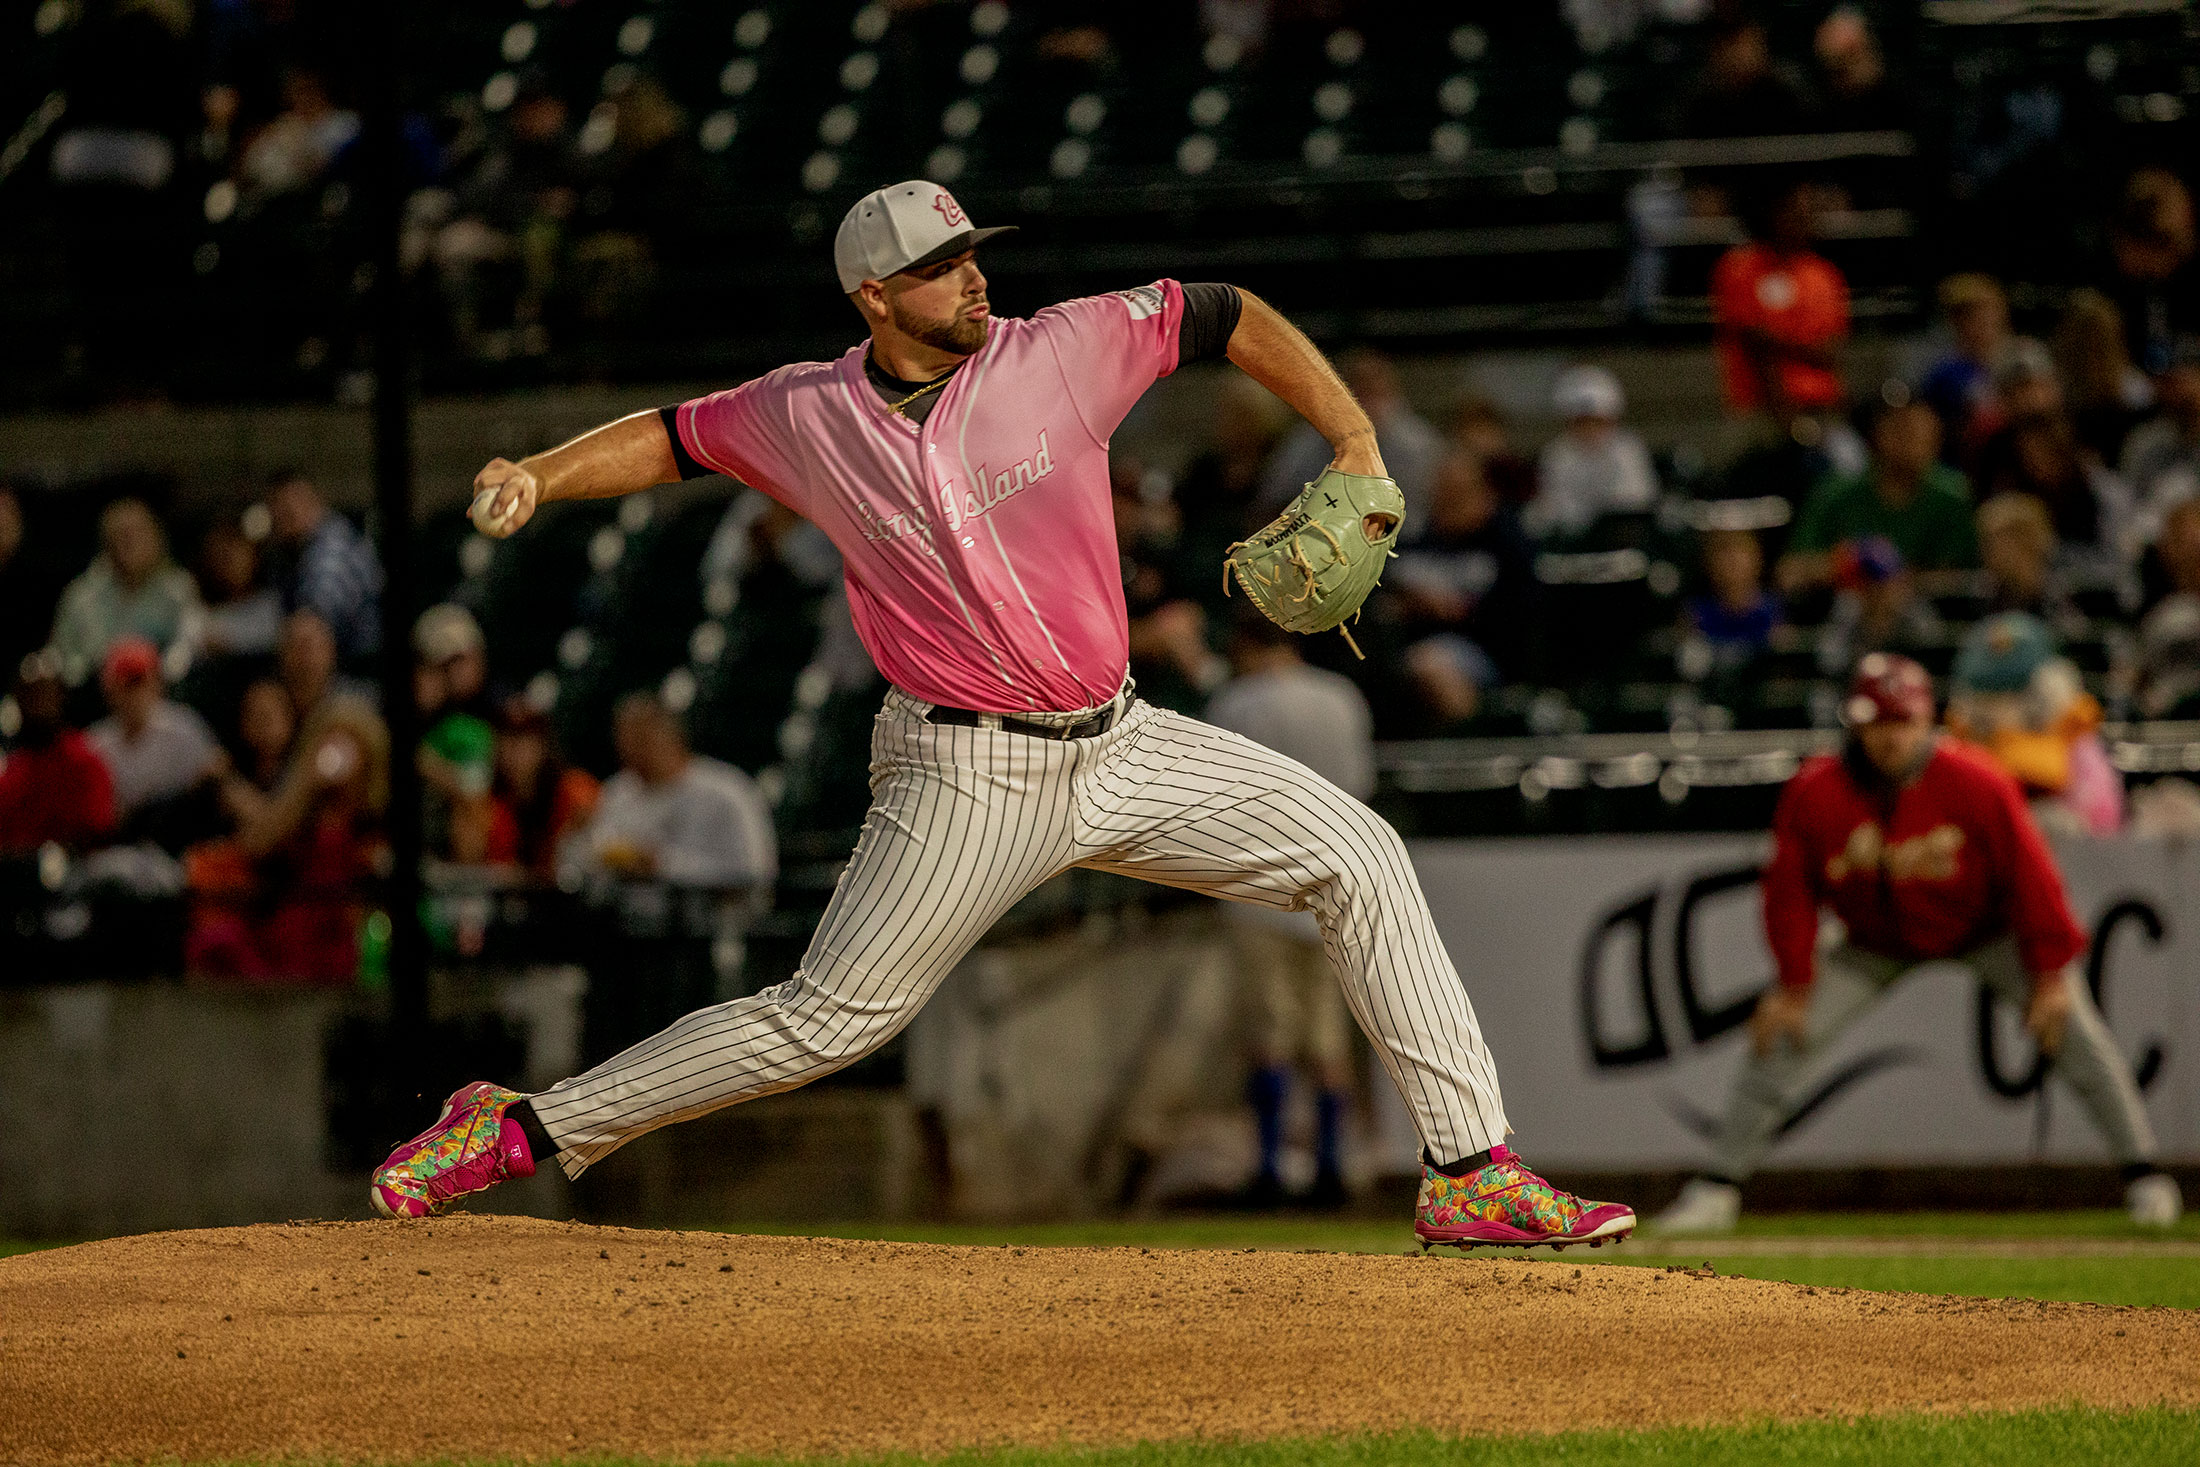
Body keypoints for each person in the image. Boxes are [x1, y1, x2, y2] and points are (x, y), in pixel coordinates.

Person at [371, 179, 1636, 1250]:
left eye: (971, 252)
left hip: (1123, 740)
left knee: (1359, 853)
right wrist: (539, 473)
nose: (971, 277)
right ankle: (524, 1123)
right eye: (938, 266)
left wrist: (1355, 440)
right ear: (874, 298)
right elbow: (674, 437)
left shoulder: (1062, 349)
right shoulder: (808, 412)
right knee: (824, 1023)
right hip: (961, 772)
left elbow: (1226, 312)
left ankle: (1471, 1175)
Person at [1654, 654, 2180, 1234]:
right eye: (1877, 720)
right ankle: (1718, 1189)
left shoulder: (1976, 780)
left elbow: (2032, 877)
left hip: (1987, 931)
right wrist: (1792, 982)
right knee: (1782, 1038)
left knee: (2078, 1035)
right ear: (1855, 724)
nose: (1889, 735)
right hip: (1872, 942)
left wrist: (2051, 974)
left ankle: (2146, 1176)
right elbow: (1790, 892)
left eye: (1902, 721)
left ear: (1928, 720)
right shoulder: (1816, 790)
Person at [1205, 611, 1375, 1209]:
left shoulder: (1237, 702)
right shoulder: (1340, 696)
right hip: (1329, 881)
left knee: (1269, 1035)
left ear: (1249, 646)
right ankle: (1331, 1168)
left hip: (1257, 885)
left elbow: (1216, 797)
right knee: (1329, 1039)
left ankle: (1273, 1168)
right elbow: (1360, 788)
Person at [559, 690, 777, 1063]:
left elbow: (756, 873)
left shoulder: (724, 790)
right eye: (623, 737)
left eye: (639, 737)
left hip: (705, 938)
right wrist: (576, 840)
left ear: (669, 735)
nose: (628, 748)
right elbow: (582, 867)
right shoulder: (618, 794)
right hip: (628, 944)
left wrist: (664, 865)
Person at [1385, 449, 1540, 729]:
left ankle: (1471, 736)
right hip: (1411, 644)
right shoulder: (1418, 537)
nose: (1447, 505)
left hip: (1485, 652)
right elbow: (1388, 587)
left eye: (1458, 495)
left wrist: (1461, 610)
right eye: (1442, 494)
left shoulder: (1506, 540)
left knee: (1429, 664)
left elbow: (1520, 611)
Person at [1944, 613, 2122, 838]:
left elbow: (2102, 826)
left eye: (2018, 689)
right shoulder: (1962, 746)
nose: (2005, 704)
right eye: (1993, 693)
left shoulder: (2075, 736)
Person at [1779, 400, 1978, 593]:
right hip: (1843, 614)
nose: (1915, 445)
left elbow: (1968, 574)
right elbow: (1789, 572)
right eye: (1904, 433)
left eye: (1926, 435)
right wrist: (1848, 564)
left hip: (1932, 616)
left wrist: (1896, 579)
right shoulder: (1836, 493)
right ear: (1879, 435)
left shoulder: (1953, 495)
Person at [1711, 179, 1849, 434]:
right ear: (1775, 212)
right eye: (1795, 211)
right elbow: (1754, 341)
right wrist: (1804, 348)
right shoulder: (1740, 268)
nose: (1805, 219)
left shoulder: (1824, 275)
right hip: (1759, 410)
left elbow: (1831, 351)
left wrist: (1777, 340)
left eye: (1809, 212)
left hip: (1821, 406)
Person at [1259, 347, 1446, 529]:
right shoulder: (1305, 443)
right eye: (1358, 391)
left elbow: (1439, 513)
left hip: (1406, 546)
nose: (1366, 403)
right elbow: (1272, 505)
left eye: (1373, 390)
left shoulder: (1420, 445)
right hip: (1322, 544)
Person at [47, 497, 204, 688]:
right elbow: (63, 654)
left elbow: (189, 644)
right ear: (106, 544)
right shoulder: (81, 595)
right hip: (95, 692)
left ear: (156, 538)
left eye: (137, 534)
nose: (129, 544)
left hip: (162, 690)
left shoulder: (179, 589)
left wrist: (158, 675)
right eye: (120, 536)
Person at [84, 637, 222, 845]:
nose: (134, 694)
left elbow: (215, 773)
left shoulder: (183, 727)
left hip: (180, 840)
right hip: (120, 844)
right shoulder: (95, 743)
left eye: (140, 681)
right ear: (109, 690)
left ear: (157, 683)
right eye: (125, 685)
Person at [1525, 365, 1659, 543]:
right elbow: (1553, 508)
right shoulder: (1556, 455)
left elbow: (1636, 502)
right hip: (1573, 542)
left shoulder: (1628, 449)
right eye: (1582, 421)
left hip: (1621, 540)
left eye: (1597, 421)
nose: (1590, 429)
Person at [0, 652, 115, 857]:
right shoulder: (12, 769)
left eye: (44, 693)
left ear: (59, 696)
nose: (38, 703)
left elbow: (99, 828)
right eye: (30, 695)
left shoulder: (83, 759)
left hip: (77, 869)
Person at [264, 473, 383, 662]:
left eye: (294, 504)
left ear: (316, 502)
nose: (286, 514)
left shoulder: (332, 546)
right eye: (278, 508)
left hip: (363, 671)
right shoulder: (291, 552)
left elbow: (312, 620)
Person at [484, 699, 599, 879]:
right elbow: (499, 866)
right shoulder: (497, 803)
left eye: (522, 741)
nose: (513, 753)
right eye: (506, 741)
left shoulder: (574, 788)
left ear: (542, 746)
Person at [1916, 274, 2016, 458]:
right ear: (1955, 321)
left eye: (1988, 310)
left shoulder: (2024, 358)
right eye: (1969, 314)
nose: (1983, 320)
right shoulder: (1945, 374)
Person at [2120, 339, 2200, 519]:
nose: (2178, 391)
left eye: (2184, 379)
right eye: (2168, 382)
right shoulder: (2144, 442)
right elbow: (2130, 508)